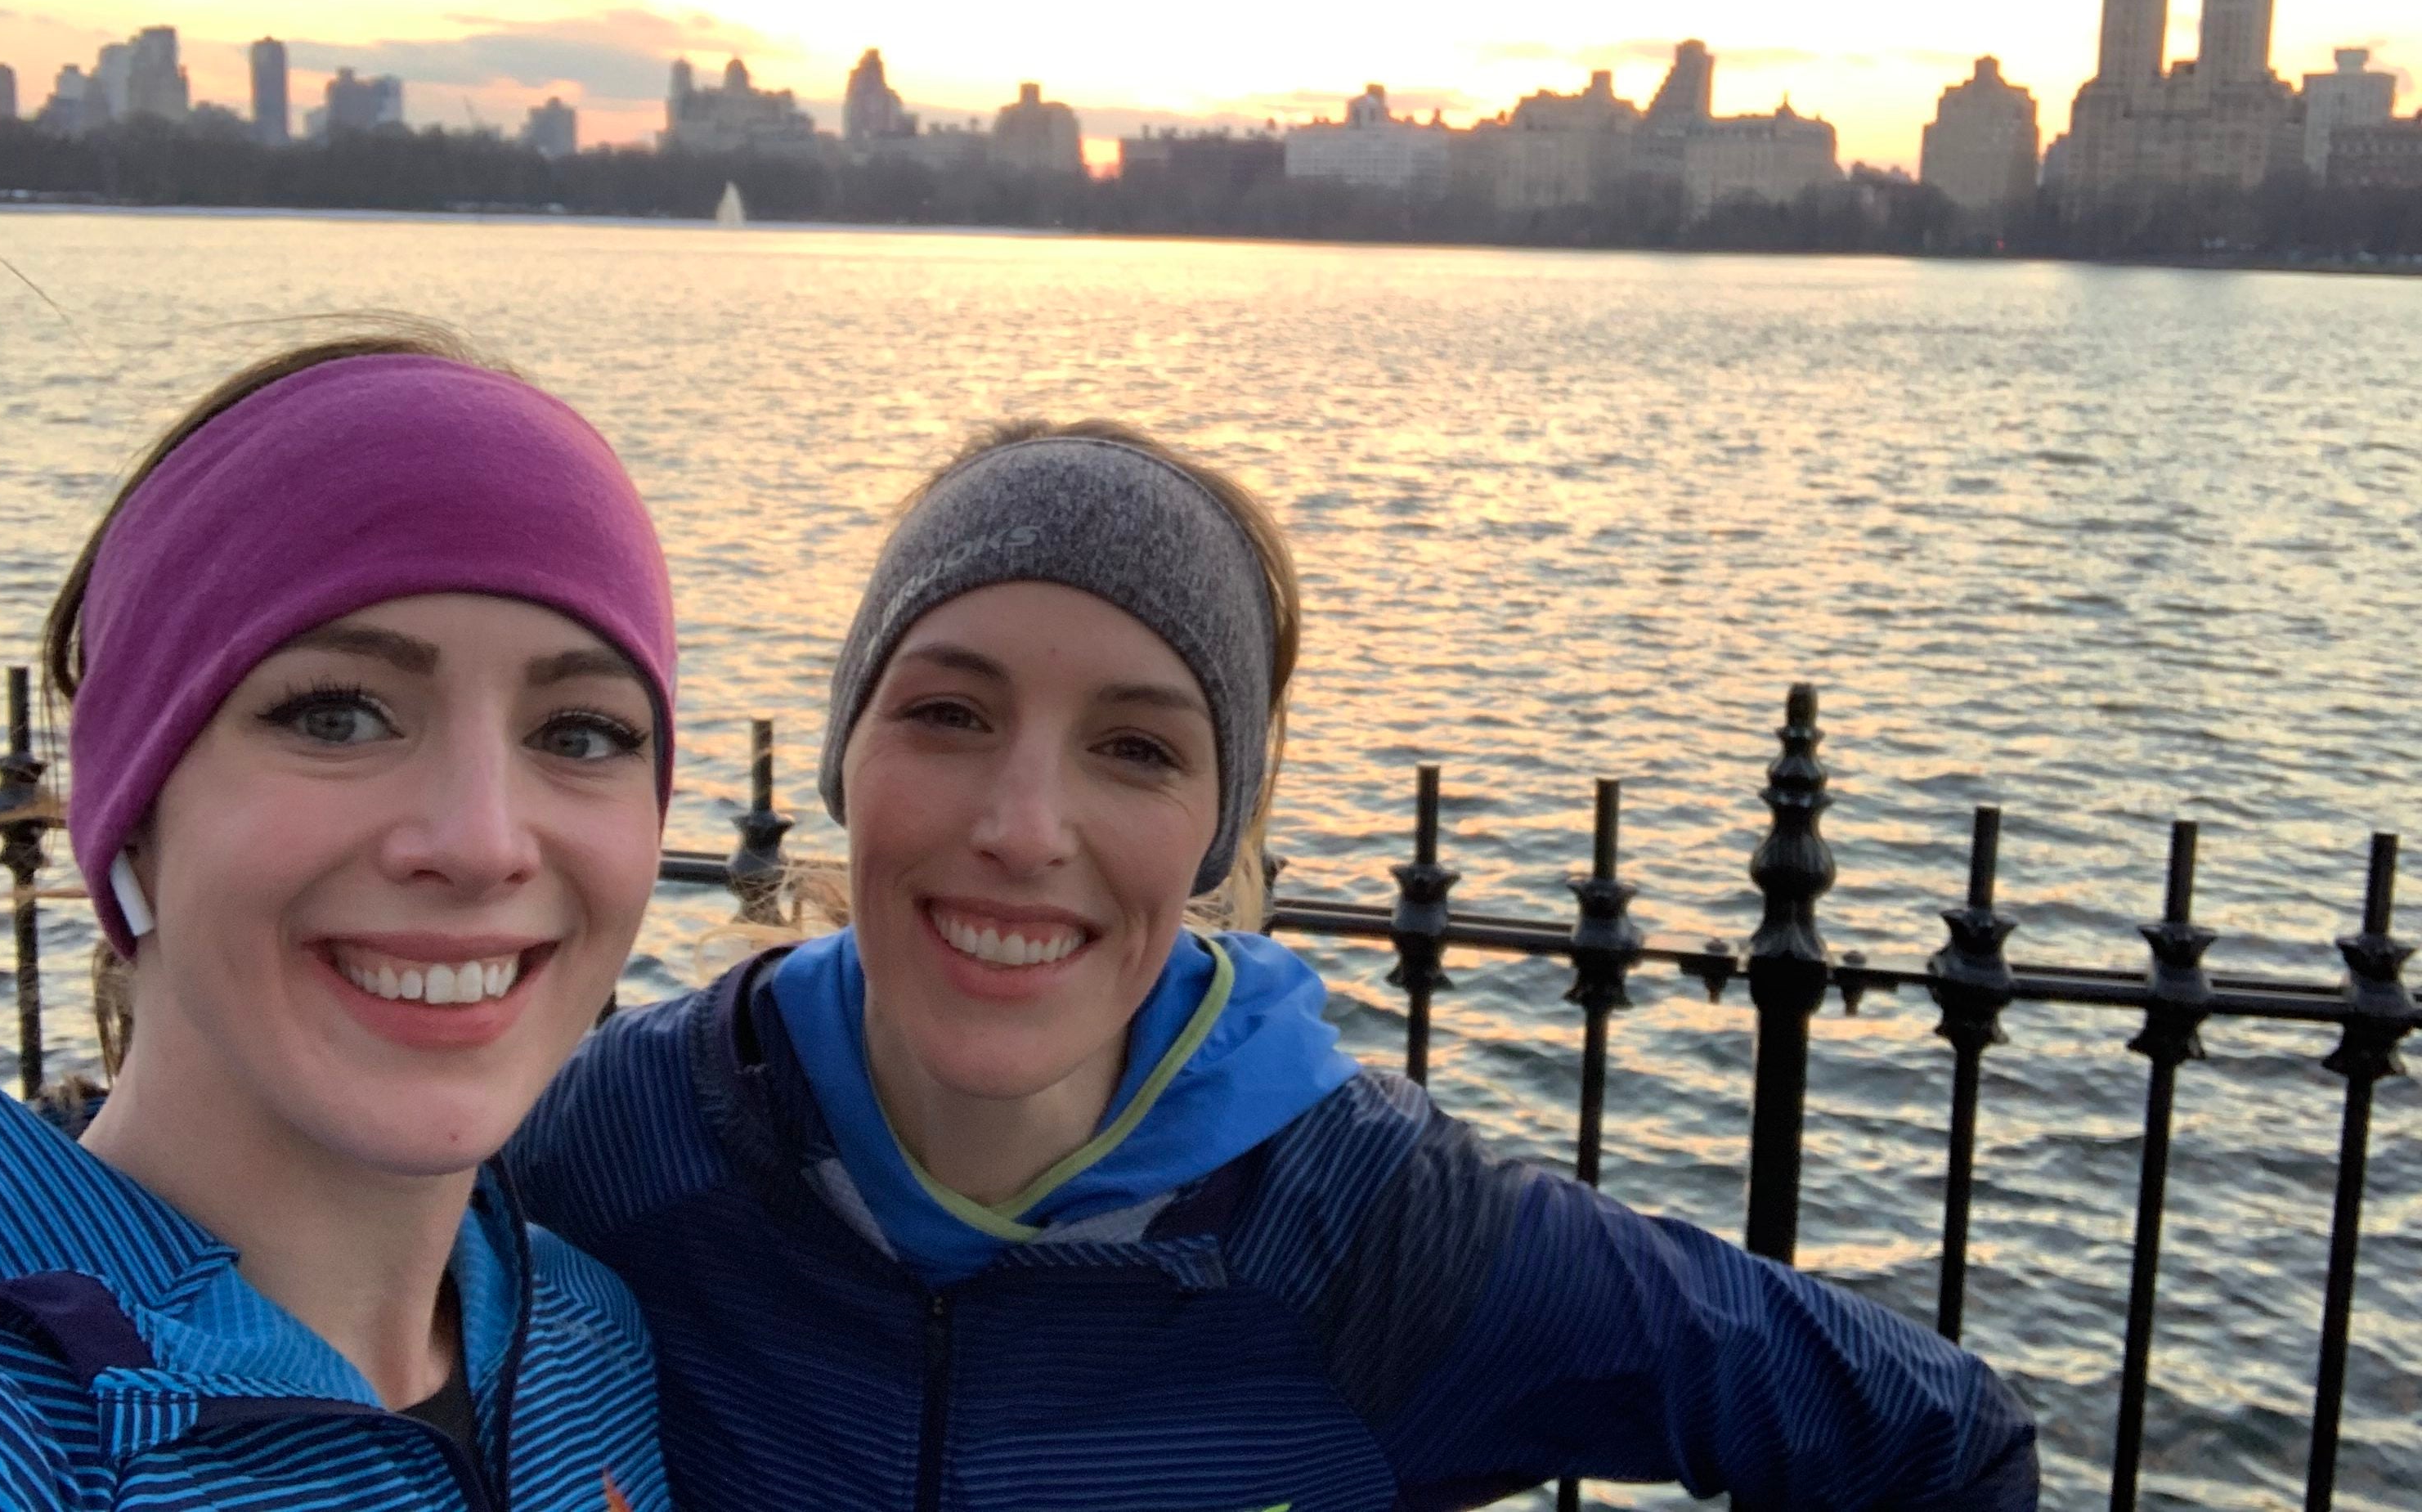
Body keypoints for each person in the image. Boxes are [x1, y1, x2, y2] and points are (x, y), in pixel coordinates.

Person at [510, 418, 2040, 1511]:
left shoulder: (1371, 1237)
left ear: (1216, 828)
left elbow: (1928, 1435)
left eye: (1134, 748)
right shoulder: (628, 1142)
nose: (1025, 827)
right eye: (950, 715)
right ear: (848, 760)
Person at [0, 332, 678, 1511]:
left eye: (580, 735)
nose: (481, 842)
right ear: (133, 809)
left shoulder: (588, 1342)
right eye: (336, 716)